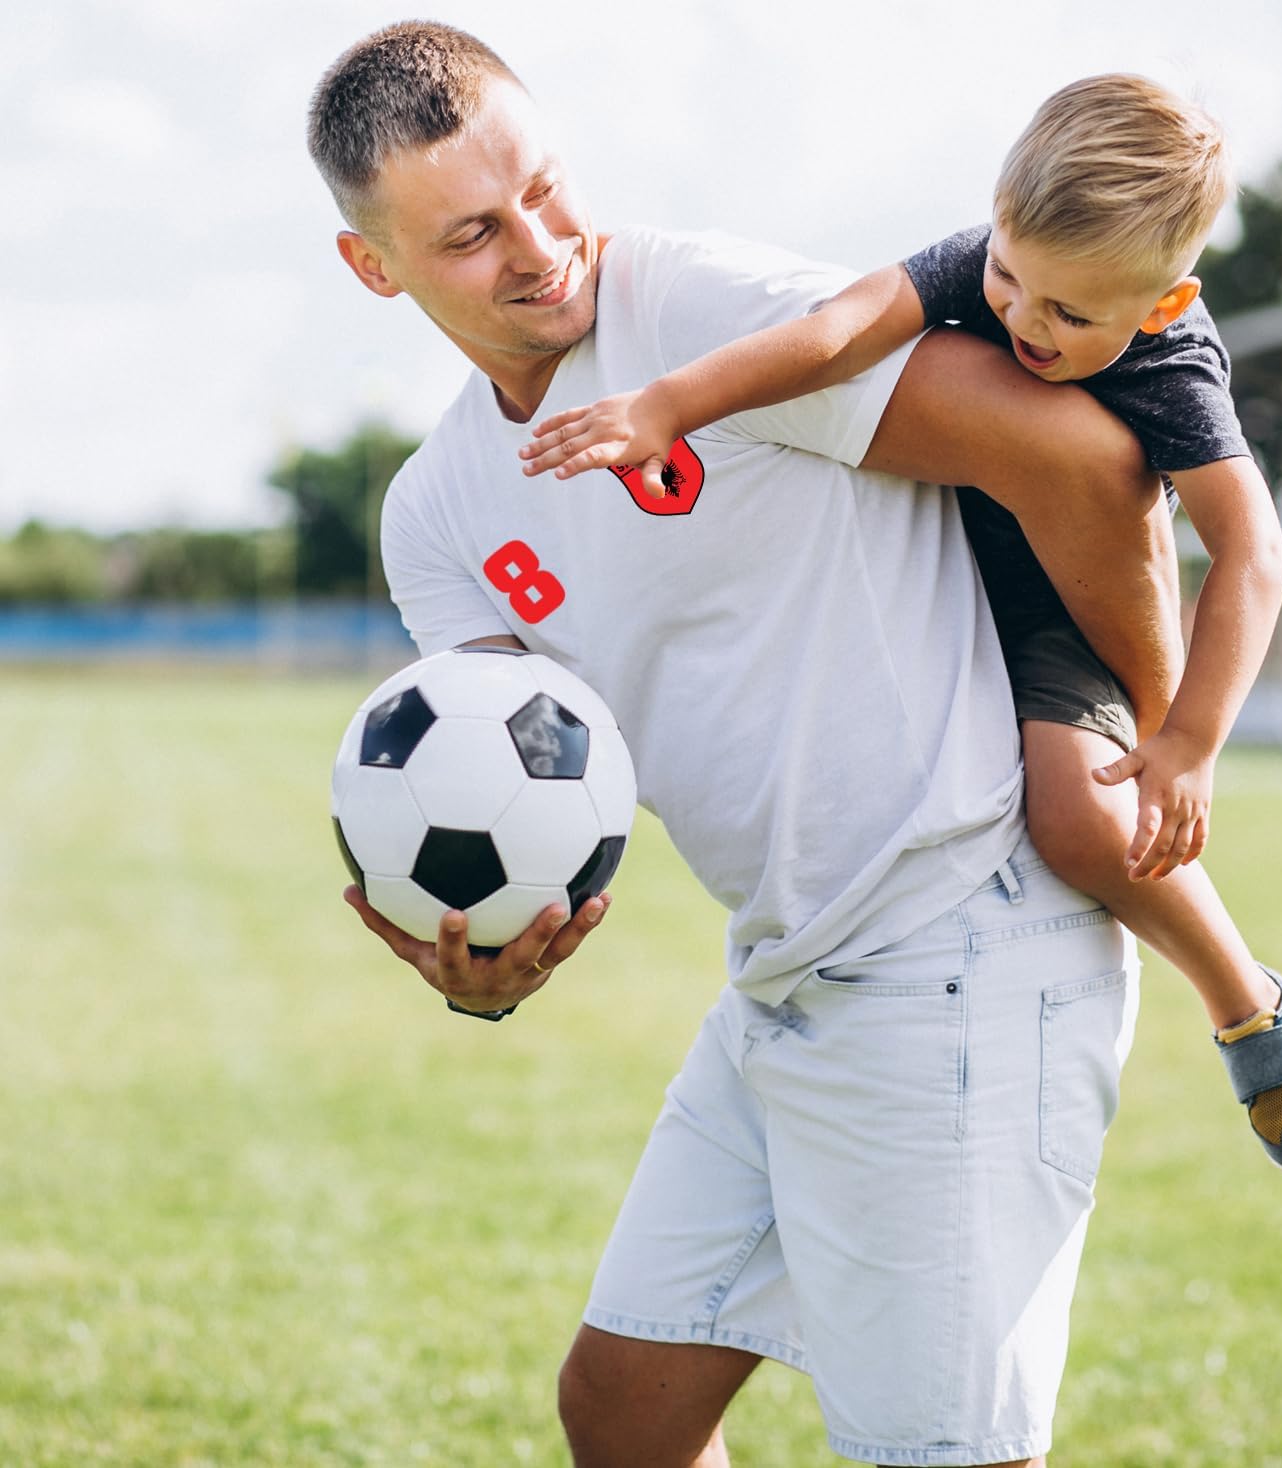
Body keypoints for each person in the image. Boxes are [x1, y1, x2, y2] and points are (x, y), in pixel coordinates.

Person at [310, 24, 1183, 1468]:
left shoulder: (698, 309)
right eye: (471, 234)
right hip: (789, 971)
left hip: (962, 941)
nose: (539, 247)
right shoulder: (439, 514)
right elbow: (515, 781)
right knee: (625, 1414)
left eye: (543, 187)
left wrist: (1155, 725)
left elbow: (1080, 458)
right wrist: (487, 956)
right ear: (376, 267)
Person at [519, 74, 1282, 1174]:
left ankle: (1245, 1000)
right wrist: (668, 404)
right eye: (1009, 279)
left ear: (1157, 304)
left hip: (1053, 628)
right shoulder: (985, 261)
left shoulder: (1172, 360)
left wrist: (1190, 743)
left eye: (1068, 313)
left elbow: (1254, 549)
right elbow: (836, 329)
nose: (1021, 320)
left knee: (1078, 816)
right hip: (926, 583)